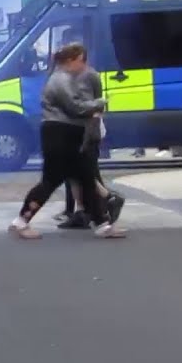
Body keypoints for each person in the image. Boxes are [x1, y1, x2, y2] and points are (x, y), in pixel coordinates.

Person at [9, 43, 123, 240]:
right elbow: (75, 107)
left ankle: (103, 224)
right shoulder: (60, 80)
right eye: (81, 60)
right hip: (60, 134)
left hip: (66, 134)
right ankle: (21, 221)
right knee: (51, 180)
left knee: (85, 177)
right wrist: (101, 102)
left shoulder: (64, 78)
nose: (83, 65)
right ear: (70, 60)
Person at [58, 49, 125, 228]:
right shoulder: (74, 75)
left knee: (83, 170)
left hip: (83, 130)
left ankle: (106, 202)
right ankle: (85, 211)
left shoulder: (86, 76)